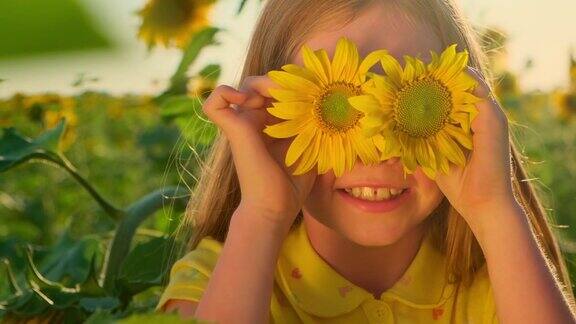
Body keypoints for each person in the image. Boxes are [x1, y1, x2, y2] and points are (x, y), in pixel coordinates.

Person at [155, 0, 576, 322]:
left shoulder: (500, 283)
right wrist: (262, 215)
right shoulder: (216, 279)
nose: (377, 148)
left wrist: (495, 212)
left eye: (410, 101)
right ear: (269, 117)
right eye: (337, 105)